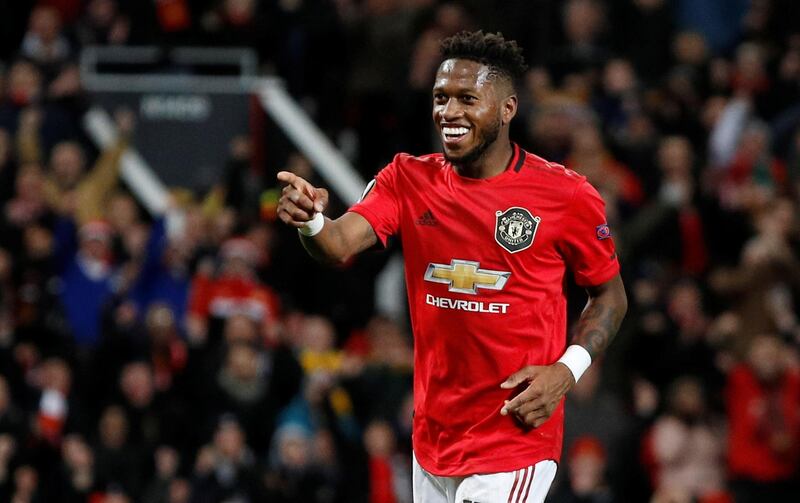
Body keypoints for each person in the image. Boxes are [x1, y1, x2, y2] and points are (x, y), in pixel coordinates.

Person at [276, 31, 627, 503]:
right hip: (433, 440)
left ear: (507, 109)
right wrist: (313, 221)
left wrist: (566, 371)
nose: (449, 112)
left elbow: (610, 295)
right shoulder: (406, 178)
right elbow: (338, 244)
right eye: (441, 98)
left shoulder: (565, 195)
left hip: (511, 441)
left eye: (468, 98)